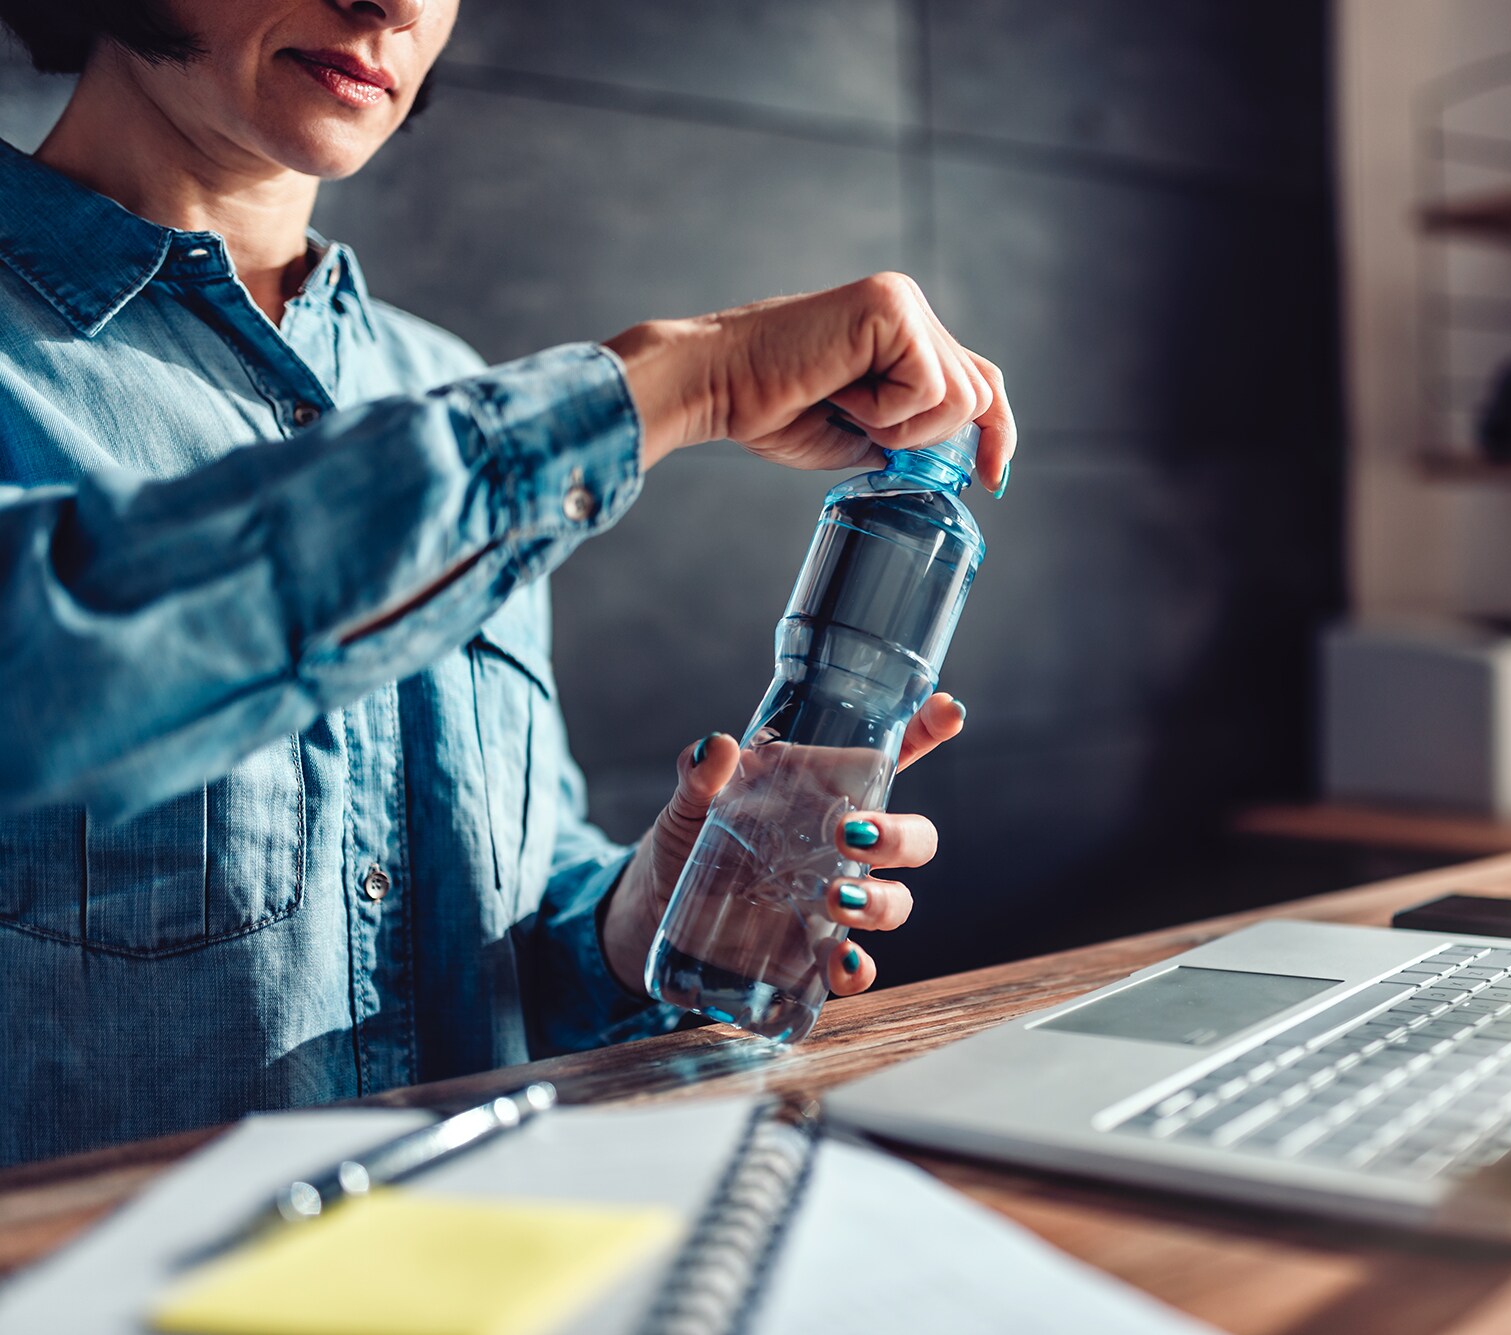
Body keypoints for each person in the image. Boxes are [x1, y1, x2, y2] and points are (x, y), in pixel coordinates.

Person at [0, 0, 1016, 1166]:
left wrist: (636, 924)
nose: (387, 4)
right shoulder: (543, 432)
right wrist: (672, 386)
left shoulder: (446, 385)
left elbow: (482, 945)